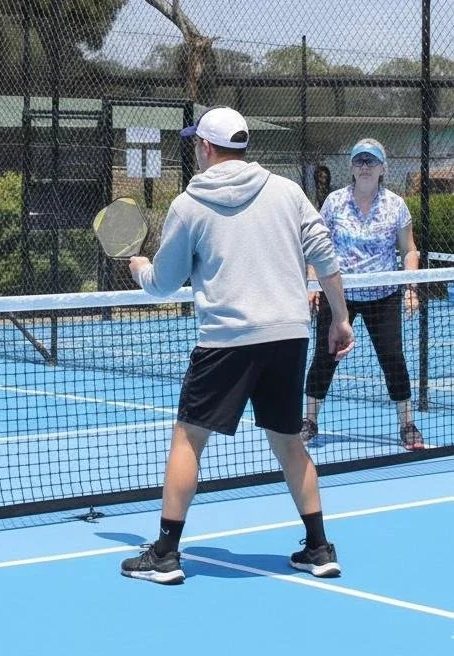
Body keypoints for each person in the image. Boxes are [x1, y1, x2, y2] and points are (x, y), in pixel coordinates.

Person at [121, 106, 355, 584]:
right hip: (288, 335)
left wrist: (140, 269)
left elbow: (164, 283)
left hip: (226, 341)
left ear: (206, 147)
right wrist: (341, 317)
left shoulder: (189, 204)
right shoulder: (288, 192)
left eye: (196, 144)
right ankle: (318, 548)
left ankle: (165, 553)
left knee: (188, 438)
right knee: (290, 442)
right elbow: (325, 255)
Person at [301, 139, 424, 450]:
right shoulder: (334, 202)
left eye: (371, 161)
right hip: (338, 293)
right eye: (360, 161)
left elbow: (408, 250)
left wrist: (411, 288)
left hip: (384, 295)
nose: (365, 166)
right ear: (352, 168)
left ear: (383, 168)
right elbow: (318, 247)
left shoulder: (396, 205)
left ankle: (407, 425)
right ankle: (309, 421)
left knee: (393, 359)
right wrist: (312, 282)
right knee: (324, 358)